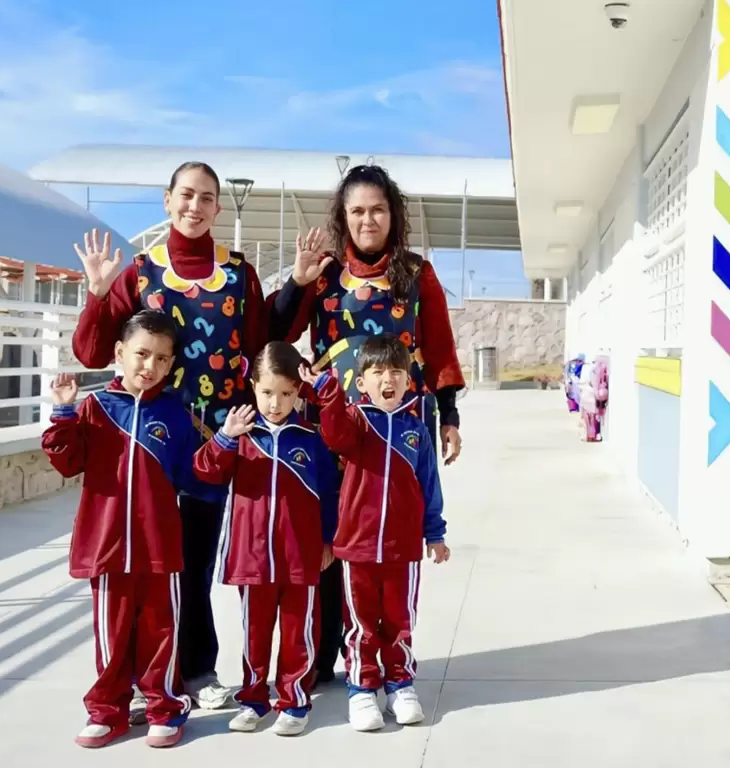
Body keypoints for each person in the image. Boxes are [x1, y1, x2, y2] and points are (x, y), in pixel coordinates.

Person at [71, 161, 268, 711]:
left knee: (196, 562)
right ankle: (140, 678)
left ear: (218, 208)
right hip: (148, 445)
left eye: (207, 198)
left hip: (213, 444)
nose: (195, 206)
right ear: (167, 200)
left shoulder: (239, 274)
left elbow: (257, 349)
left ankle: (197, 669)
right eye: (186, 195)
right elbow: (90, 353)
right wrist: (96, 292)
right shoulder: (137, 272)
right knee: (147, 568)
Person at [268, 163, 465, 684]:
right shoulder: (325, 272)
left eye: (377, 208)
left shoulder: (417, 273)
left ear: (392, 214)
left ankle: (385, 657)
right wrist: (296, 281)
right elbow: (278, 332)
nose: (368, 219)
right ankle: (325, 655)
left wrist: (448, 415)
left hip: (401, 432)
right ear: (343, 216)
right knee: (333, 537)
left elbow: (440, 345)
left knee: (385, 543)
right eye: (357, 210)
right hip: (334, 426)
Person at [42, 311, 201, 749]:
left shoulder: (176, 415)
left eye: (160, 359)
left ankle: (164, 707)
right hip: (107, 547)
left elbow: (193, 475)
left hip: (158, 548)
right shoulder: (94, 408)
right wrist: (63, 412)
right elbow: (67, 460)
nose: (149, 366)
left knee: (159, 634)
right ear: (119, 353)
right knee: (111, 637)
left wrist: (224, 445)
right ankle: (108, 711)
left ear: (170, 366)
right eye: (141, 354)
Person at [300, 335, 450, 732]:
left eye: (397, 372)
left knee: (399, 619)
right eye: (378, 372)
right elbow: (333, 434)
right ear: (361, 382)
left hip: (404, 549)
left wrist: (435, 532)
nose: (389, 379)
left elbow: (429, 483)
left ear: (408, 380)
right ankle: (362, 688)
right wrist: (327, 393)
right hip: (358, 547)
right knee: (362, 623)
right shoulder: (355, 422)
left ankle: (400, 683)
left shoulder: (416, 429)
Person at [193, 342, 339, 736]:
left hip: (300, 558)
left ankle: (294, 700)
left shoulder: (312, 439)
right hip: (252, 559)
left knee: (298, 632)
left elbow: (330, 495)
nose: (276, 403)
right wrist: (224, 436)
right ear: (253, 386)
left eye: (287, 393)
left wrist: (328, 541)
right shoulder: (241, 435)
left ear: (298, 392)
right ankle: (254, 699)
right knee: (254, 635)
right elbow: (204, 472)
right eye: (267, 392)